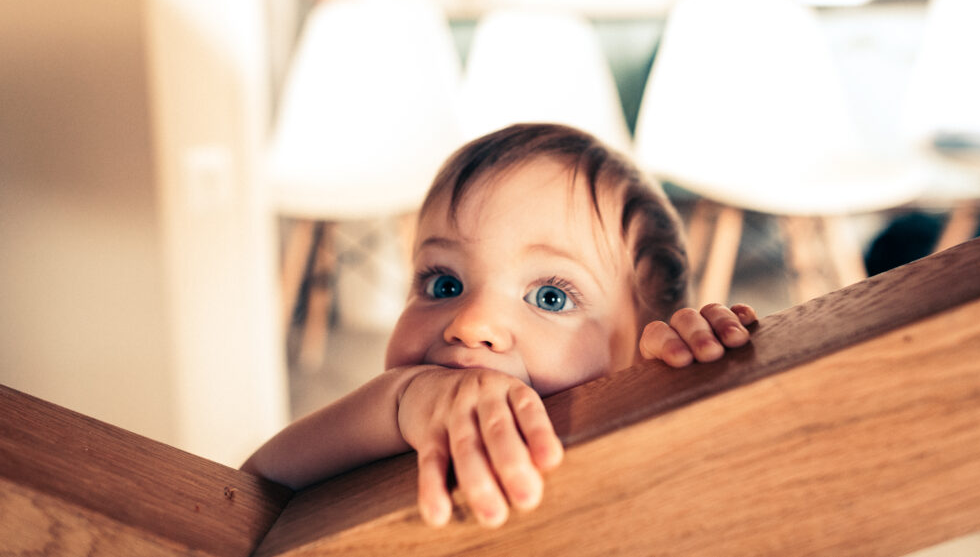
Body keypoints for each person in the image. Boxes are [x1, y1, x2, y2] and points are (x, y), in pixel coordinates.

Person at [242, 123, 757, 528]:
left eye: (550, 297)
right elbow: (250, 495)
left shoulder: (651, 474)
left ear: (639, 358)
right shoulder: (396, 436)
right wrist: (400, 402)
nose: (472, 323)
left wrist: (691, 374)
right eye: (443, 283)